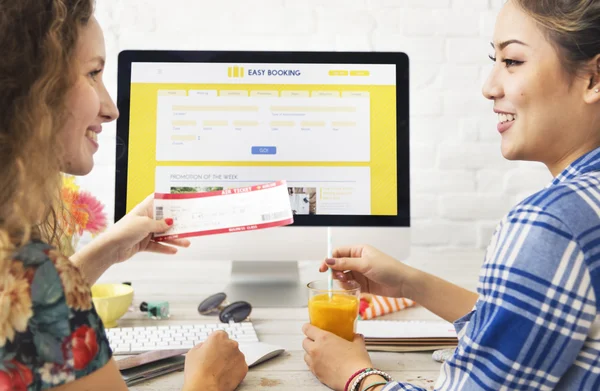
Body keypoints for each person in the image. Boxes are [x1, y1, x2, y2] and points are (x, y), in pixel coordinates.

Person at [302, 0, 600, 390]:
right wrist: (410, 283)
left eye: (512, 61)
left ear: (594, 79)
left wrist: (356, 375)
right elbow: (527, 329)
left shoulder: (551, 223)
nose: (489, 86)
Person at [0, 1, 248, 390]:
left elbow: (16, 313)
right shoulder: (29, 271)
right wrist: (206, 380)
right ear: (33, 88)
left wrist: (106, 249)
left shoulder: (16, 267)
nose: (112, 110)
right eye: (93, 73)